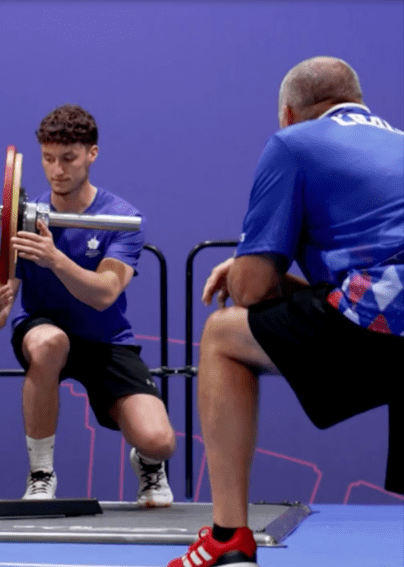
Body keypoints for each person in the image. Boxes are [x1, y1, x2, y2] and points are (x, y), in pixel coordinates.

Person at [167, 57, 404, 567]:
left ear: (290, 114)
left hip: (385, 313)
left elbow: (251, 291)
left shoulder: (294, 143)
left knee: (223, 336)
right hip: (385, 309)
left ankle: (228, 537)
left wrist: (241, 268)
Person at [0, 104, 176, 505]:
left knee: (160, 440)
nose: (57, 170)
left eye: (68, 158)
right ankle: (41, 474)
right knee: (51, 343)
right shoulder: (25, 218)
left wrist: (54, 258)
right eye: (48, 159)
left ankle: (148, 463)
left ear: (92, 154)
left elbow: (104, 294)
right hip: (44, 329)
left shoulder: (122, 217)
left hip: (106, 338)